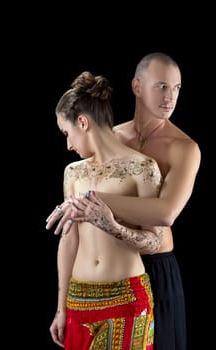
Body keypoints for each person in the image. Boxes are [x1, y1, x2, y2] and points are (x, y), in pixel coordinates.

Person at [46, 53, 201, 350]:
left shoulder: (183, 148)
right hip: (93, 283)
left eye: (177, 88)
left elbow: (166, 213)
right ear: (137, 86)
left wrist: (89, 203)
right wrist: (61, 305)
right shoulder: (109, 137)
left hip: (153, 265)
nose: (171, 97)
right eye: (162, 86)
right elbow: (72, 233)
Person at [49, 70, 164, 349]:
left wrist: (111, 226)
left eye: (67, 133)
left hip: (127, 299)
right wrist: (61, 307)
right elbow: (69, 239)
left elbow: (155, 241)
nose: (68, 144)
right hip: (78, 299)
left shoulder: (143, 168)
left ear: (83, 122)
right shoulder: (72, 173)